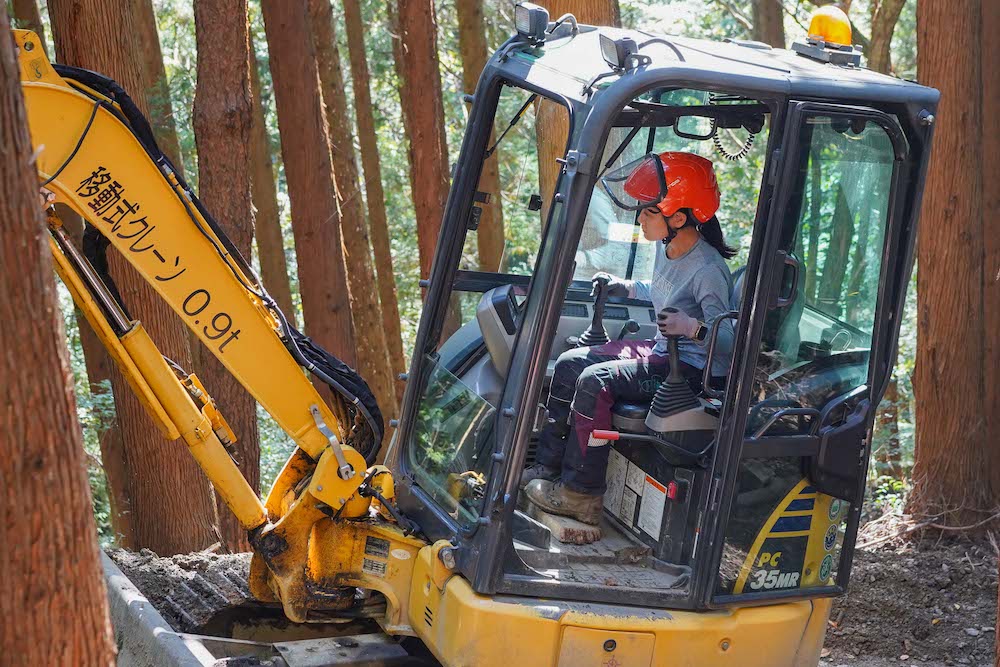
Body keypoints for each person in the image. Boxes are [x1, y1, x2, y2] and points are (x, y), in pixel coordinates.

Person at [522, 151, 737, 526]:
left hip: (690, 370)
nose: (640, 217)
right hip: (660, 350)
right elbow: (664, 290)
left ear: (679, 217)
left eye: (649, 211)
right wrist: (627, 287)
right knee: (571, 364)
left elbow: (731, 343)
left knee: (595, 381)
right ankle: (548, 469)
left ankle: (580, 495)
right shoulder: (667, 247)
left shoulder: (708, 269)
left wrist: (692, 329)